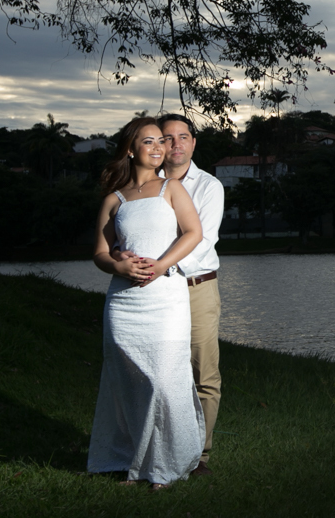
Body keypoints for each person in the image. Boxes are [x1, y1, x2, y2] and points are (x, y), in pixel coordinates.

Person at [87, 117, 205, 489]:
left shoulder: (171, 188)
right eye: (149, 141)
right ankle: (131, 460)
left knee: (165, 381)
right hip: (123, 305)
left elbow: (194, 233)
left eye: (162, 142)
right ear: (130, 149)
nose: (159, 148)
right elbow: (100, 253)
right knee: (130, 384)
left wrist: (160, 266)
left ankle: (170, 464)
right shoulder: (114, 199)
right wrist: (118, 265)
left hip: (165, 299)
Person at [158, 113, 225, 476]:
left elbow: (201, 241)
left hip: (196, 287)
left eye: (184, 136)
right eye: (168, 138)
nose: (177, 144)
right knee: (164, 372)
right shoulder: (145, 186)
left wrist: (157, 267)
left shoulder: (209, 186)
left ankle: (200, 455)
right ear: (157, 144)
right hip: (156, 292)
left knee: (203, 373)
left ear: (193, 143)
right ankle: (164, 447)